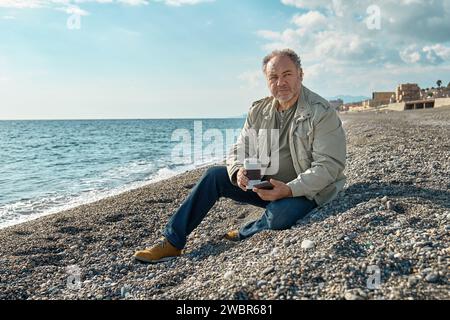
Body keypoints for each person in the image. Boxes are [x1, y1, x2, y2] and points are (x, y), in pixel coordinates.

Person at [134, 49, 347, 264]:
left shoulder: (321, 112)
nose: (281, 82)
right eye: (273, 77)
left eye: (287, 74)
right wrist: (238, 172)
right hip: (266, 187)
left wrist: (289, 189)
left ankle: (246, 231)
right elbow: (239, 148)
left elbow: (329, 166)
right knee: (214, 176)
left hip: (306, 192)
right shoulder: (258, 110)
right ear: (267, 81)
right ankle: (172, 241)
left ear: (300, 74)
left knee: (280, 215)